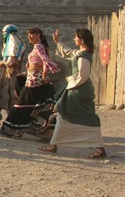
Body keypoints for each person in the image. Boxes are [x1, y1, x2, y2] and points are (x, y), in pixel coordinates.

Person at [40, 29, 107, 158]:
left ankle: (99, 147)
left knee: (83, 116)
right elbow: (70, 52)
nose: (74, 39)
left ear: (82, 40)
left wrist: (70, 80)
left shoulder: (83, 56)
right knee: (62, 113)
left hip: (78, 89)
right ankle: (53, 144)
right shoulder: (80, 53)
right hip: (76, 87)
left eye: (76, 37)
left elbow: (83, 75)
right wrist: (58, 42)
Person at [0, 27, 60, 138]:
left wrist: (44, 77)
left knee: (21, 105)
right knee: (26, 106)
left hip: (34, 82)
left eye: (32, 34)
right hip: (32, 79)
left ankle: (12, 129)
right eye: (28, 34)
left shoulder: (38, 46)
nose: (29, 37)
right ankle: (20, 130)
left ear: (39, 35)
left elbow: (46, 62)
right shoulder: (38, 47)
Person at [0, 24, 26, 128]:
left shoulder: (15, 42)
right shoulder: (13, 42)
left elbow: (15, 61)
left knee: (11, 100)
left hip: (13, 75)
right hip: (7, 74)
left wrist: (5, 64)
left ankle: (10, 123)